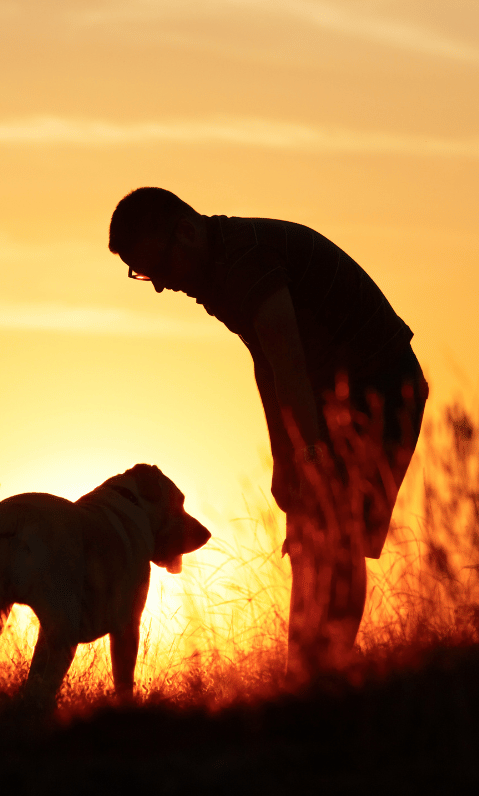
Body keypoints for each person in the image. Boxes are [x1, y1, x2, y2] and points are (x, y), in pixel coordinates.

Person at [108, 187, 428, 683]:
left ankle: (321, 680)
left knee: (336, 538)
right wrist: (285, 457)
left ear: (185, 231)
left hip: (381, 391)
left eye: (159, 268)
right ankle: (306, 678)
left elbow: (289, 363)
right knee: (310, 537)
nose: (161, 286)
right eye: (146, 275)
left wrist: (311, 457)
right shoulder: (216, 268)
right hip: (331, 395)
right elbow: (268, 361)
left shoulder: (244, 261)